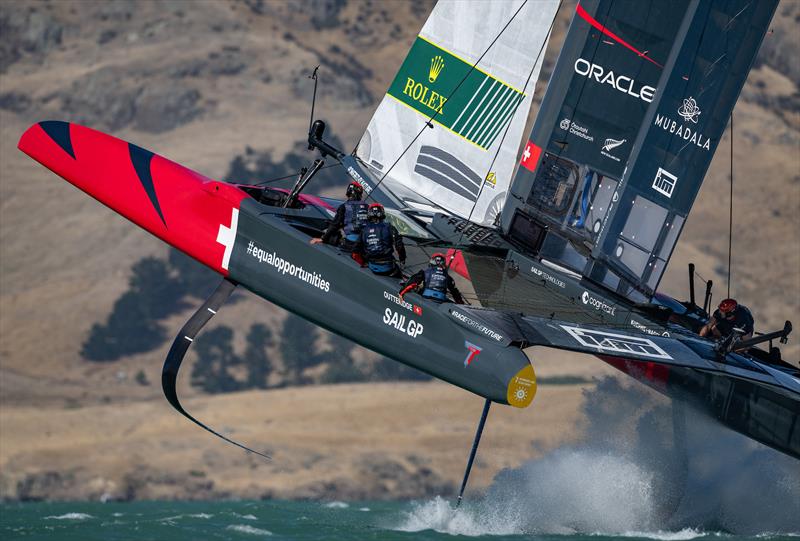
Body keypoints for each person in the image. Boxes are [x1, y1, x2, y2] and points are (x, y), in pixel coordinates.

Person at [310, 182, 368, 250]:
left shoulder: (344, 207)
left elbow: (335, 225)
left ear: (348, 193)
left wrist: (323, 239)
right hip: (364, 245)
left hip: (350, 243)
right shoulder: (368, 207)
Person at [353, 203, 406, 277]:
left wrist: (362, 263)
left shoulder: (364, 230)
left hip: (372, 265)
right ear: (382, 213)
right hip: (388, 267)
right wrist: (402, 260)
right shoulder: (389, 227)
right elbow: (399, 246)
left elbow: (355, 251)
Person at [399, 252, 465, 304]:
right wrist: (461, 304)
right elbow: (455, 293)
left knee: (418, 289)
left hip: (426, 297)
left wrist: (401, 293)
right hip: (440, 300)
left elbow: (412, 283)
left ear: (432, 261)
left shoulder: (425, 272)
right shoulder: (448, 277)